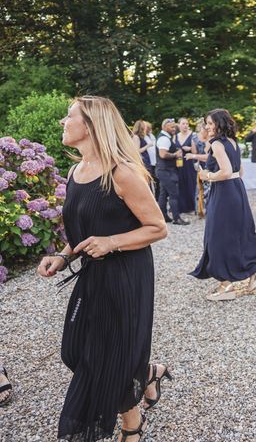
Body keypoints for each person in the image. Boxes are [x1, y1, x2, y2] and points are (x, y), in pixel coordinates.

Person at [37, 95, 170, 442]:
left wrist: (111, 242)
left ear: (91, 125)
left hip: (126, 275)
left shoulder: (121, 173)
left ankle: (131, 424)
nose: (63, 123)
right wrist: (64, 256)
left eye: (69, 117)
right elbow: (85, 227)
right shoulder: (75, 171)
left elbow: (157, 227)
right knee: (75, 350)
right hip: (93, 273)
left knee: (106, 357)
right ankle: (146, 372)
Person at [190, 109, 256, 301]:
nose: (207, 127)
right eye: (206, 123)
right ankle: (255, 271)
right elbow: (239, 171)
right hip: (236, 190)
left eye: (210, 123)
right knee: (238, 232)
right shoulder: (233, 142)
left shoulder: (217, 144)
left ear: (219, 123)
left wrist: (206, 175)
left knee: (218, 236)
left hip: (224, 192)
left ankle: (227, 285)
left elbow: (225, 172)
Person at [156, 118, 189, 225]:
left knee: (163, 194)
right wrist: (176, 154)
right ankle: (176, 218)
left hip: (164, 170)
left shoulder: (166, 137)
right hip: (166, 171)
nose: (174, 128)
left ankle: (164, 216)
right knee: (174, 194)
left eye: (174, 126)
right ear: (164, 127)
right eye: (171, 126)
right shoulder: (164, 139)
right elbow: (163, 154)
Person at [174, 117, 197, 214]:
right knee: (180, 184)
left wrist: (190, 148)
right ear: (178, 125)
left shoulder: (193, 135)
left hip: (189, 163)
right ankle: (181, 207)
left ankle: (191, 207)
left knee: (190, 183)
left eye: (187, 124)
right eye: (183, 124)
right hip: (178, 163)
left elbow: (196, 151)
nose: (185, 125)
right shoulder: (175, 136)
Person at [143, 121, 159, 199]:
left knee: (156, 180)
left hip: (154, 161)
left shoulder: (151, 136)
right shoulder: (142, 137)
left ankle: (156, 197)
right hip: (147, 161)